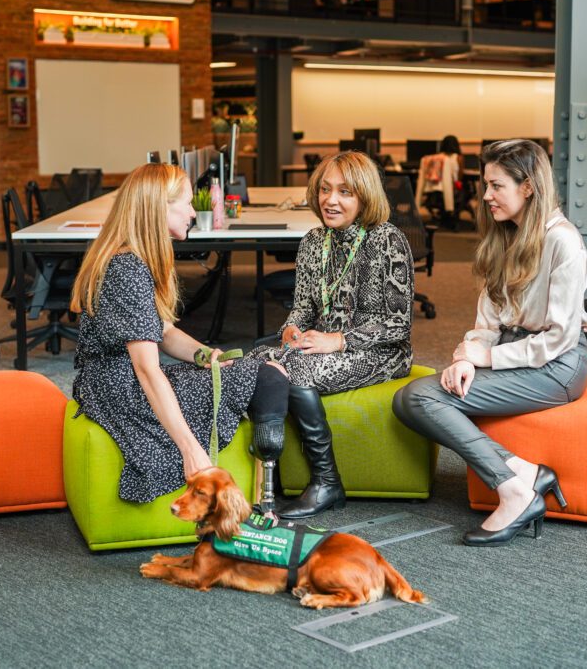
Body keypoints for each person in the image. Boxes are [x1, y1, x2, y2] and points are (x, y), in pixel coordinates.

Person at [393, 139, 587, 547]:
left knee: (423, 399)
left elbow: (560, 337)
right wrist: (470, 356)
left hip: (556, 365)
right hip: (510, 354)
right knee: (410, 399)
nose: (485, 196)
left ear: (529, 187)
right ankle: (524, 473)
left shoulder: (564, 242)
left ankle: (514, 490)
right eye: (487, 185)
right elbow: (488, 318)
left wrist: (488, 357)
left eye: (496, 186)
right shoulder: (505, 236)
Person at [70, 163, 289, 503]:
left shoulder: (133, 256)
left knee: (258, 366)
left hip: (110, 382)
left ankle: (268, 486)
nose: (193, 212)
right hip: (121, 390)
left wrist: (206, 355)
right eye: (186, 203)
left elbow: (164, 331)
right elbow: (145, 368)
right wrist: (189, 450)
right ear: (158, 208)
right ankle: (267, 495)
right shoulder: (129, 267)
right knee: (267, 375)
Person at [247, 151, 414, 519]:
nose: (330, 200)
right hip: (319, 345)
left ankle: (326, 482)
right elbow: (304, 307)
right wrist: (290, 328)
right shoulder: (313, 241)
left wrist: (338, 341)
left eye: (344, 192)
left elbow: (399, 324)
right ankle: (263, 478)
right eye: (325, 189)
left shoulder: (387, 240)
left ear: (365, 196)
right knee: (255, 362)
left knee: (295, 373)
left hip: (380, 351)